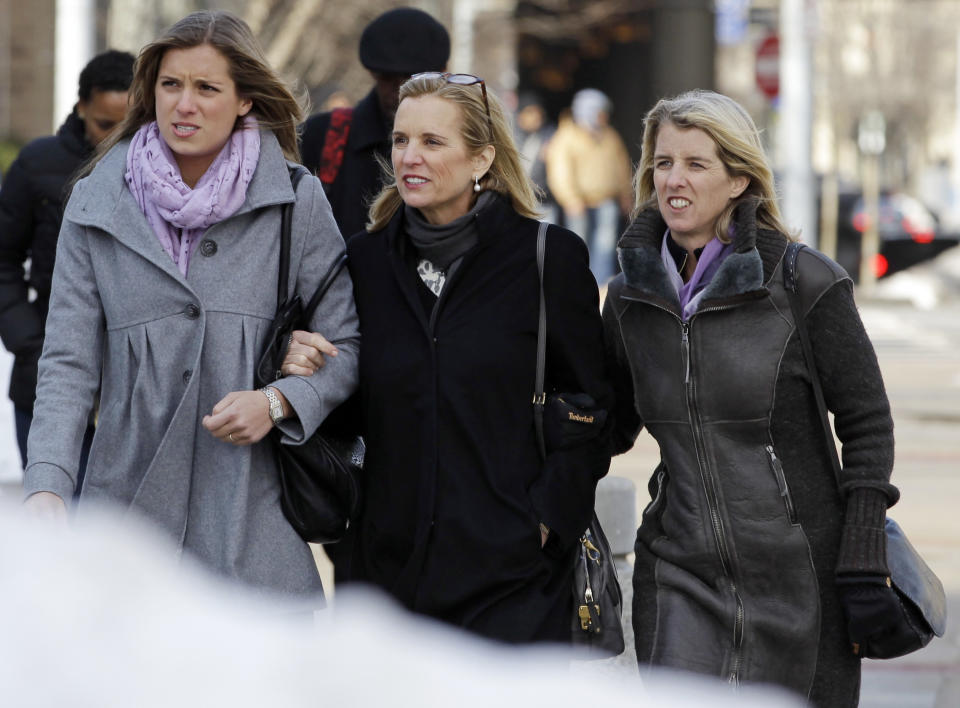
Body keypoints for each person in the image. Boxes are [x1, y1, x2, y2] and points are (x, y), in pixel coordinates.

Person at [21, 10, 359, 602]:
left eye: (207, 88)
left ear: (245, 100)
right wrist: (48, 482)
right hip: (125, 507)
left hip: (252, 509)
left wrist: (278, 401)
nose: (185, 105)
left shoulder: (295, 200)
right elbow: (68, 361)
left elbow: (349, 343)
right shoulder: (94, 203)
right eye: (171, 85)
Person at [602, 90, 902, 705]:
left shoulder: (803, 281)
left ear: (739, 178)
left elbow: (868, 424)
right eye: (662, 164)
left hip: (801, 578)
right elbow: (607, 425)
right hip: (678, 572)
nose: (673, 180)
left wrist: (863, 552)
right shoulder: (630, 297)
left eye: (695, 164)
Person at [290, 73, 612, 642]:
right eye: (400, 141)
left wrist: (542, 523)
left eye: (433, 142)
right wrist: (309, 366)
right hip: (384, 581)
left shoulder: (548, 260)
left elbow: (594, 408)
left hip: (512, 582)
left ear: (481, 158)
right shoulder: (363, 262)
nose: (409, 157)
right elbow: (350, 415)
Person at [0, 49, 134, 482]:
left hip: (131, 394)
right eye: (104, 124)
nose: (114, 137)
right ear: (81, 107)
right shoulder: (38, 163)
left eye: (127, 125)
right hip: (47, 379)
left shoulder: (160, 172)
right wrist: (28, 340)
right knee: (58, 526)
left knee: (122, 540)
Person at [300, 7, 450, 240]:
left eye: (413, 80)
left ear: (442, 74)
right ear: (374, 74)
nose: (401, 91)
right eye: (389, 79)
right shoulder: (321, 137)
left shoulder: (462, 144)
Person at [545, 88, 632, 284]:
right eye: (599, 112)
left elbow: (621, 167)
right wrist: (570, 198)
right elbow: (560, 171)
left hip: (606, 200)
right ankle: (578, 284)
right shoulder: (566, 136)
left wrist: (626, 193)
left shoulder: (610, 136)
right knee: (578, 244)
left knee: (606, 245)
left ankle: (600, 285)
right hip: (579, 202)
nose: (604, 117)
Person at [514, 92, 557, 223]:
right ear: (520, 115)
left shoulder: (551, 137)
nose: (536, 117)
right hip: (516, 202)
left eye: (539, 112)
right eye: (530, 112)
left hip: (543, 203)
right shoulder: (511, 136)